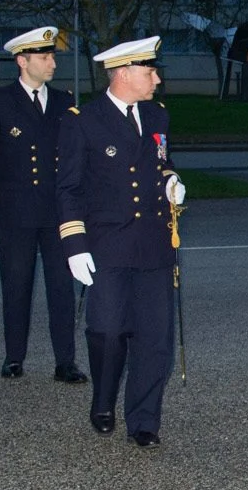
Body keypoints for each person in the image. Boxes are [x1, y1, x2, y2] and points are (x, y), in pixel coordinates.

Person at [56, 36, 183, 447]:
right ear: (124, 74)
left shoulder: (158, 116)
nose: (157, 80)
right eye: (150, 72)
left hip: (154, 243)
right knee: (109, 329)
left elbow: (162, 164)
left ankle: (144, 420)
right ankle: (103, 398)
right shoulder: (83, 120)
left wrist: (171, 183)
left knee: (154, 337)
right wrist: (74, 245)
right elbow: (69, 188)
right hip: (107, 243)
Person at [0, 26, 85, 383]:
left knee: (61, 288)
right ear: (23, 61)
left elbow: (74, 160)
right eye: (45, 57)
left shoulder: (66, 102)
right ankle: (14, 356)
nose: (52, 63)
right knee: (16, 285)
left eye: (52, 56)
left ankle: (65, 361)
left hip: (55, 214)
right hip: (16, 212)